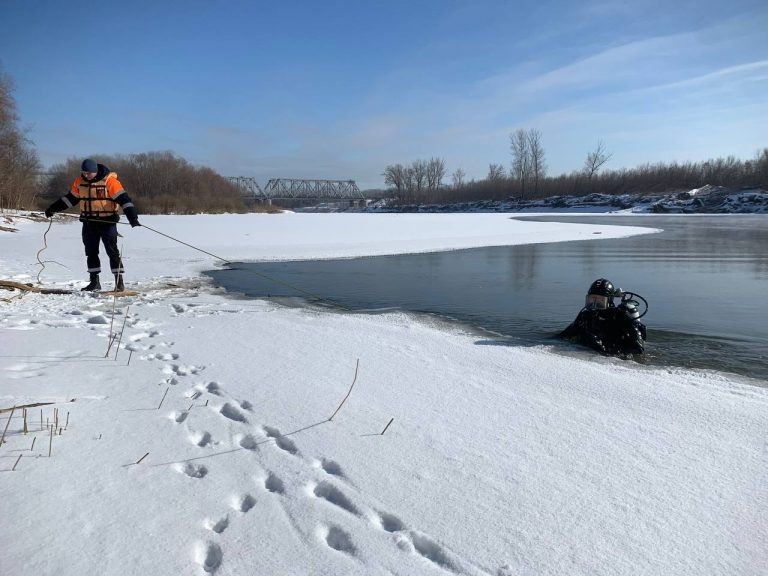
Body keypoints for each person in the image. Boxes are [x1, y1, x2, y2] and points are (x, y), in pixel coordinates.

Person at [44, 159, 140, 291]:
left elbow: (124, 200)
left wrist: (132, 217)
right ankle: (94, 282)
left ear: (95, 171)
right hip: (89, 223)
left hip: (108, 222)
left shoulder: (110, 181)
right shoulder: (79, 182)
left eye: (89, 173)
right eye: (84, 172)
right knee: (91, 252)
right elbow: (70, 199)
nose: (86, 175)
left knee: (112, 252)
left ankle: (119, 283)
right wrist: (52, 208)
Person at [559, 278, 647, 356]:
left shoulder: (620, 317)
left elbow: (638, 349)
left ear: (609, 300)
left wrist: (603, 350)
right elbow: (564, 335)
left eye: (600, 300)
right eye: (592, 299)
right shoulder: (585, 316)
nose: (595, 303)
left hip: (611, 354)